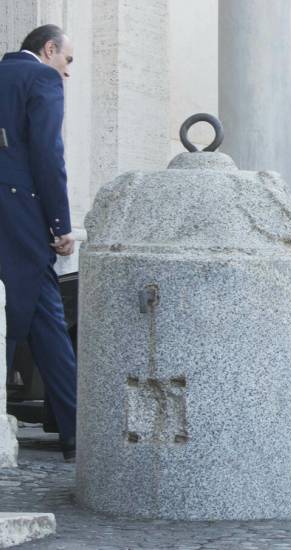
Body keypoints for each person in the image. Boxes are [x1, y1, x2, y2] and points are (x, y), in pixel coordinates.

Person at [0, 24, 77, 461]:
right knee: (11, 315)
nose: (67, 73)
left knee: (45, 318)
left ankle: (75, 431)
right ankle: (75, 433)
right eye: (67, 61)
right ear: (49, 50)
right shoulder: (41, 78)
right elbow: (49, 154)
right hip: (21, 214)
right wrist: (60, 223)